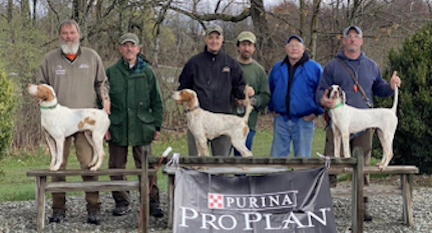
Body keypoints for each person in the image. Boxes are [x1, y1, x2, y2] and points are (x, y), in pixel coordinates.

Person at [315, 25, 401, 221]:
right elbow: (320, 91)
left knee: (362, 168)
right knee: (332, 165)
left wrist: (391, 86)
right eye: (349, 37)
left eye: (356, 37)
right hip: (336, 122)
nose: (352, 40)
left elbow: (380, 89)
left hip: (363, 126)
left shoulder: (371, 66)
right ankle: (323, 208)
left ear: (361, 41)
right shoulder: (332, 66)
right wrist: (324, 100)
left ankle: (362, 208)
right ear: (344, 41)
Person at [36, 19, 109, 225]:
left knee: (88, 164)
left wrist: (105, 99)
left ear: (79, 35)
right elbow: (41, 86)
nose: (69, 37)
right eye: (65, 33)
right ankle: (58, 209)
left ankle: (93, 207)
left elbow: (102, 83)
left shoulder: (92, 56)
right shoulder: (50, 59)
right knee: (58, 167)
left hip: (85, 121)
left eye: (72, 33)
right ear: (60, 36)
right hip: (59, 120)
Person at [105, 33, 164, 218]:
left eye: (132, 46)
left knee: (146, 165)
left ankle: (152, 202)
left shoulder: (147, 71)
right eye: (125, 46)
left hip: (142, 126)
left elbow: (157, 100)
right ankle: (122, 201)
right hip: (117, 125)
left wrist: (157, 126)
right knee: (116, 166)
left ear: (138, 49)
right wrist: (104, 126)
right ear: (120, 49)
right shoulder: (111, 72)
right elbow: (102, 101)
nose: (129, 49)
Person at [178, 24, 247, 156]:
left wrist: (245, 92)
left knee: (220, 165)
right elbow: (183, 87)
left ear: (222, 40)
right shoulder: (194, 63)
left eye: (217, 38)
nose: (214, 41)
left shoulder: (231, 63)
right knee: (196, 162)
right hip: (197, 120)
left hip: (222, 121)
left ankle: (219, 177)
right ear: (205, 39)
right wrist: (181, 99)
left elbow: (239, 87)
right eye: (211, 38)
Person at [268, 35, 323, 157]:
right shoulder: (277, 68)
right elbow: (270, 89)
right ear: (286, 48)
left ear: (303, 49)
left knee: (302, 160)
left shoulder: (314, 68)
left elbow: (322, 91)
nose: (294, 48)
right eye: (291, 45)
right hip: (281, 120)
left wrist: (316, 113)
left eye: (297, 46)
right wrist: (272, 108)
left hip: (304, 121)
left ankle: (301, 177)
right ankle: (277, 177)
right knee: (277, 159)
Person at [233, 31, 270, 156]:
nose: (246, 48)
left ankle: (242, 176)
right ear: (238, 47)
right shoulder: (229, 66)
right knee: (223, 162)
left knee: (242, 161)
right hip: (226, 122)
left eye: (249, 45)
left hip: (248, 124)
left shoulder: (259, 70)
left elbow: (265, 96)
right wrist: (234, 100)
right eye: (243, 44)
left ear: (254, 48)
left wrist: (252, 101)